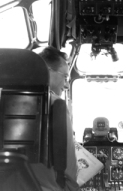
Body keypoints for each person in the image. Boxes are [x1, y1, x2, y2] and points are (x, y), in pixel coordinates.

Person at [31, 46, 80, 191]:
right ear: (47, 70)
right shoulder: (55, 104)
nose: (66, 85)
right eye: (65, 77)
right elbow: (67, 164)